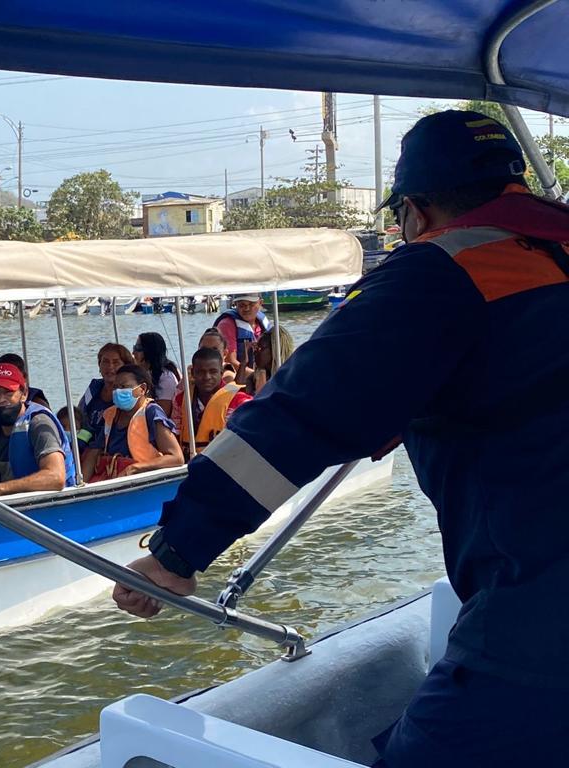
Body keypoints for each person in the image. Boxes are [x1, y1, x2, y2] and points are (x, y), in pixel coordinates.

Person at [111, 110, 569, 767]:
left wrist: (176, 552)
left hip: (541, 612)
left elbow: (296, 418)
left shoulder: (439, 272)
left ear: (415, 211)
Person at [0, 362, 75, 496]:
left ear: (24, 394)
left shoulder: (38, 423)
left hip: (50, 506)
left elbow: (56, 477)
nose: (0, 399)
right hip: (1, 506)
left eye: (8, 392)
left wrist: (2, 489)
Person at [82, 364, 184, 481]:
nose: (118, 391)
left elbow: (176, 457)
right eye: (115, 387)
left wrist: (135, 468)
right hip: (113, 479)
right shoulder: (111, 415)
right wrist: (82, 485)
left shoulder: (152, 413)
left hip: (144, 481)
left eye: (124, 386)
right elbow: (94, 452)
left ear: (142, 389)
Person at [173, 347, 252, 458]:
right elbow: (175, 433)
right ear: (192, 373)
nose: (207, 377)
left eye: (213, 372)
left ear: (221, 372)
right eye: (201, 372)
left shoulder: (239, 401)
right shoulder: (180, 400)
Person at [78, 342, 134, 444]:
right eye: (105, 362)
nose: (110, 366)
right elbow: (79, 415)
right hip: (86, 443)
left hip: (113, 445)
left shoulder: (127, 394)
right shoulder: (94, 387)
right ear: (99, 365)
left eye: (116, 362)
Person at [214, 294, 271, 376]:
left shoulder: (263, 323)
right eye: (241, 305)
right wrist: (257, 376)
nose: (246, 308)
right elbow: (230, 361)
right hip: (236, 377)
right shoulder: (227, 324)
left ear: (260, 303)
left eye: (251, 304)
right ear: (236, 304)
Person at [132, 332, 180, 415]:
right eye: (134, 347)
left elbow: (162, 414)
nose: (133, 353)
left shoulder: (166, 378)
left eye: (138, 348)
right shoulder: (148, 372)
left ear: (150, 351)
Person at [244, 326, 295, 396]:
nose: (255, 352)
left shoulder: (288, 380)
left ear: (274, 351)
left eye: (260, 348)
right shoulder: (254, 378)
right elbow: (237, 389)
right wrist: (243, 362)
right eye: (256, 348)